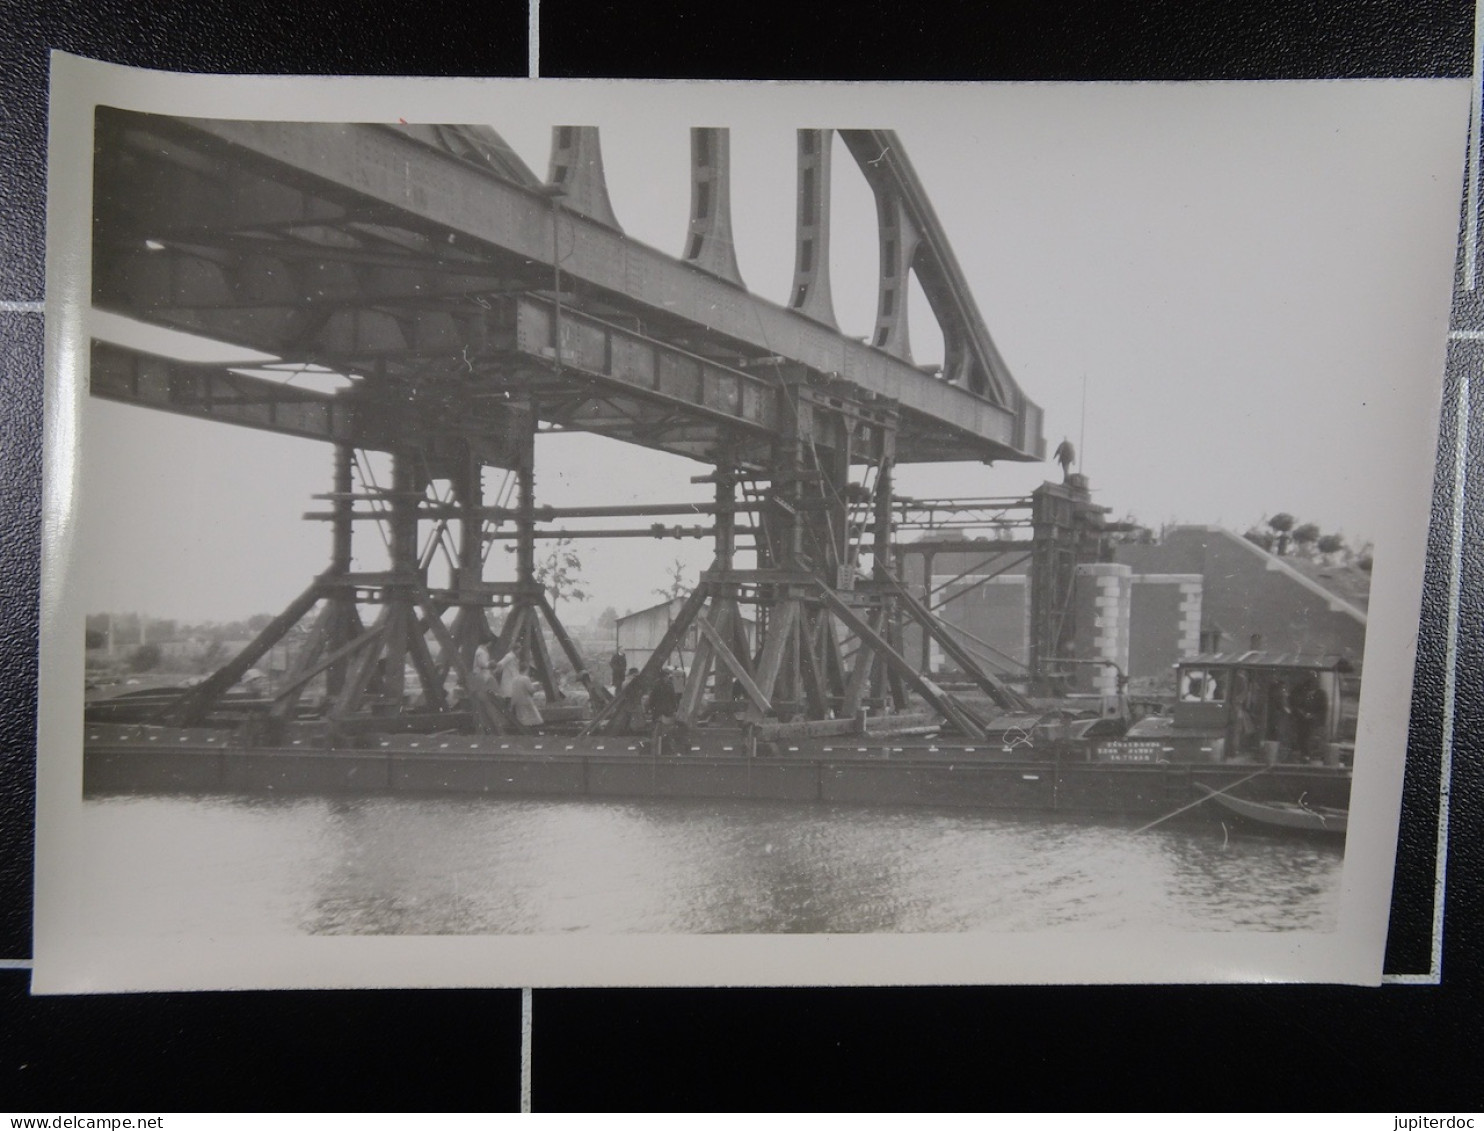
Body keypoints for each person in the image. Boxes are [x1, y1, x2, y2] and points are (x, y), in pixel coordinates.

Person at [647, 666, 682, 755]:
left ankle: (656, 750)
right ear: (665, 676)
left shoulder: (656, 685)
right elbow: (673, 698)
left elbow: (652, 699)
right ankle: (667, 749)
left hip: (658, 712)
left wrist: (650, 708)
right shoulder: (669, 685)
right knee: (667, 731)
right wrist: (674, 709)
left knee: (656, 732)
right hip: (667, 711)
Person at [509, 661, 544, 730]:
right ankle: (535, 727)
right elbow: (531, 690)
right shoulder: (525, 679)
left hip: (517, 701)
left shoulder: (514, 679)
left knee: (522, 717)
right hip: (526, 700)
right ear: (527, 669)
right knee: (535, 716)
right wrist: (536, 687)